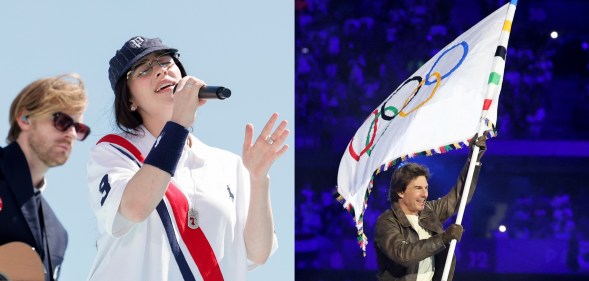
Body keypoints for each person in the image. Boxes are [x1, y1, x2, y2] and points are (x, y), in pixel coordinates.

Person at [86, 36, 289, 281]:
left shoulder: (228, 164)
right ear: (129, 99)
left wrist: (258, 179)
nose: (160, 71)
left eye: (165, 61)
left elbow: (258, 253)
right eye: (143, 70)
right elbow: (135, 207)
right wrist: (179, 122)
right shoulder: (114, 151)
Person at [0, 74, 90, 281]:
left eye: (79, 128)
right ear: (25, 119)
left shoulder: (58, 235)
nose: (71, 134)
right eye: (62, 121)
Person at [373, 134, 487, 281]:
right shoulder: (387, 221)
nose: (425, 194)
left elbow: (459, 196)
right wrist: (443, 238)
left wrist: (474, 160)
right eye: (418, 188)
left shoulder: (429, 211)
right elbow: (403, 254)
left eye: (426, 188)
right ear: (400, 191)